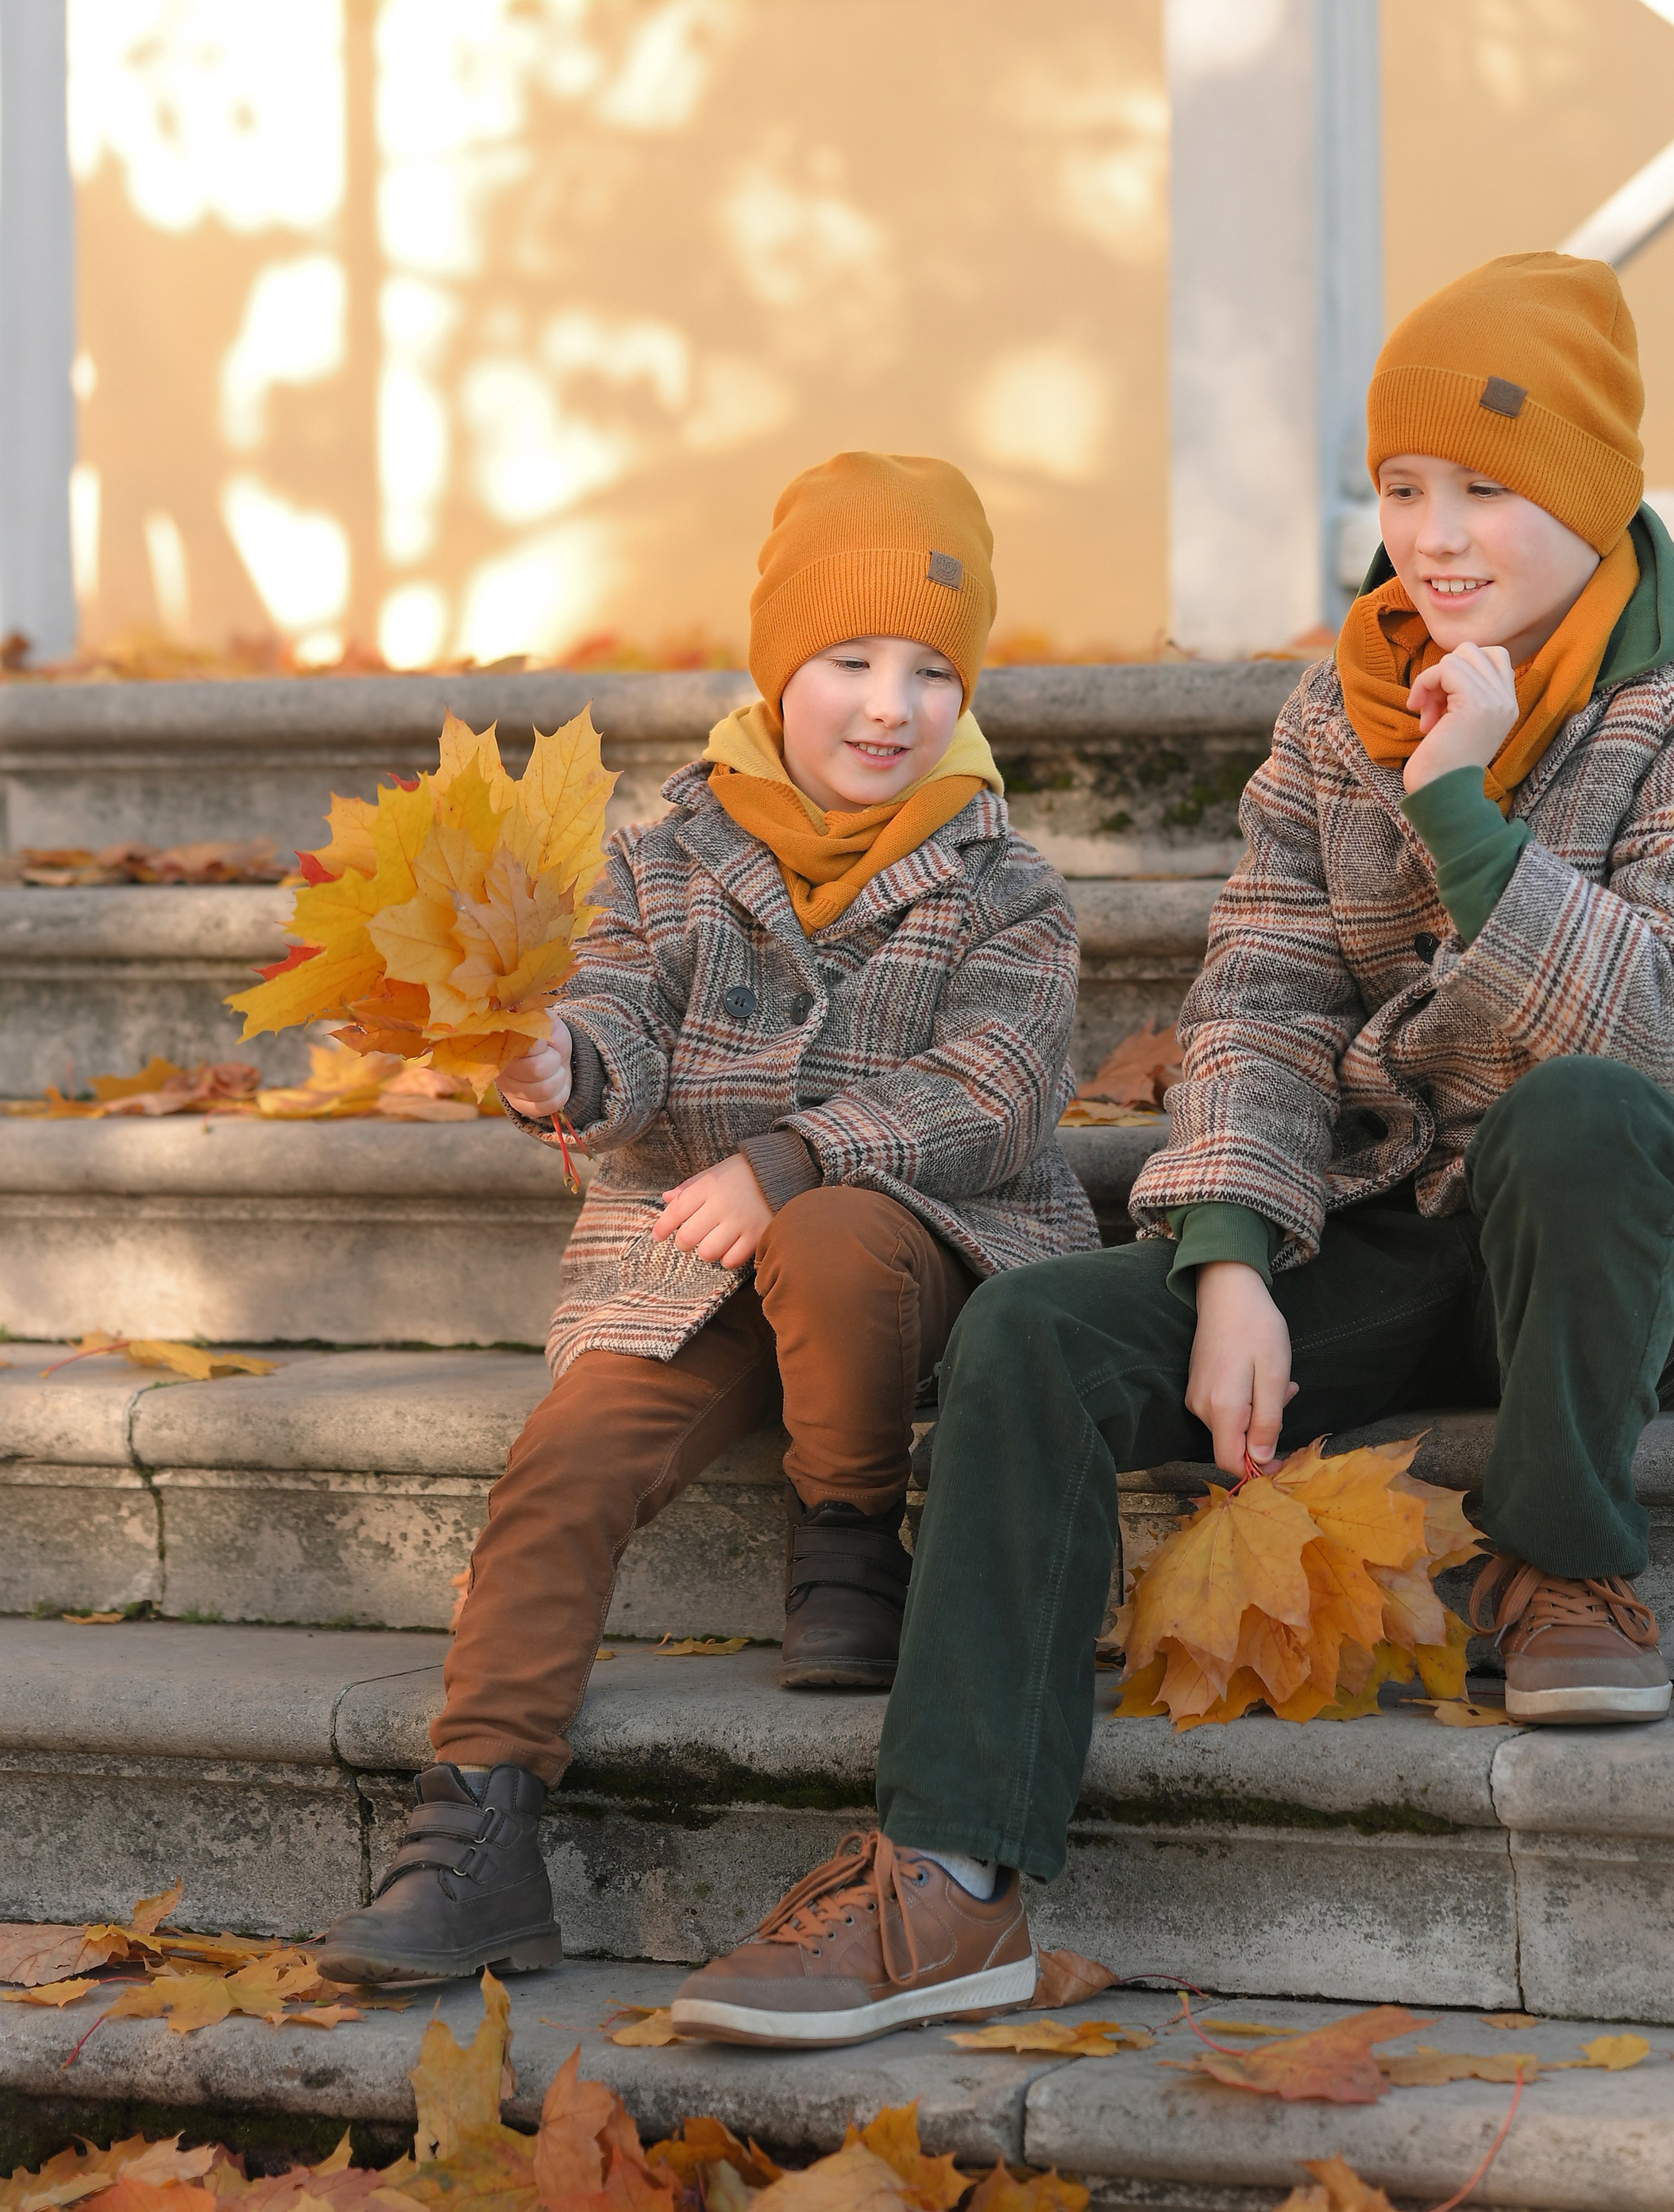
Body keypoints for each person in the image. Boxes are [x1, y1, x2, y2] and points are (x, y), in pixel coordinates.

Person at [665, 252, 1674, 2050]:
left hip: (1640, 1235)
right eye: (1400, 487)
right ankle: (950, 1881)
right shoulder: (1328, 716)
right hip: (1392, 1216)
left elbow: (1671, 1026)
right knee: (1039, 1332)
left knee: (1580, 1111)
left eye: (1483, 489)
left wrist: (1462, 812)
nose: (1432, 536)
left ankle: (1564, 1556)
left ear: (1592, 498)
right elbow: (1262, 997)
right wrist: (1223, 1260)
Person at [318, 451, 1097, 1986]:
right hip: (684, 1262)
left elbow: (997, 1087)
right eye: (850, 662)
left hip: (912, 1240)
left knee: (825, 1233)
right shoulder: (663, 857)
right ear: (777, 669)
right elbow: (616, 1019)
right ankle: (475, 1826)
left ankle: (848, 1530)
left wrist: (798, 1155)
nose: (891, 706)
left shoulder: (1010, 885)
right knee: (567, 1456)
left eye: (933, 672)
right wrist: (561, 1068)